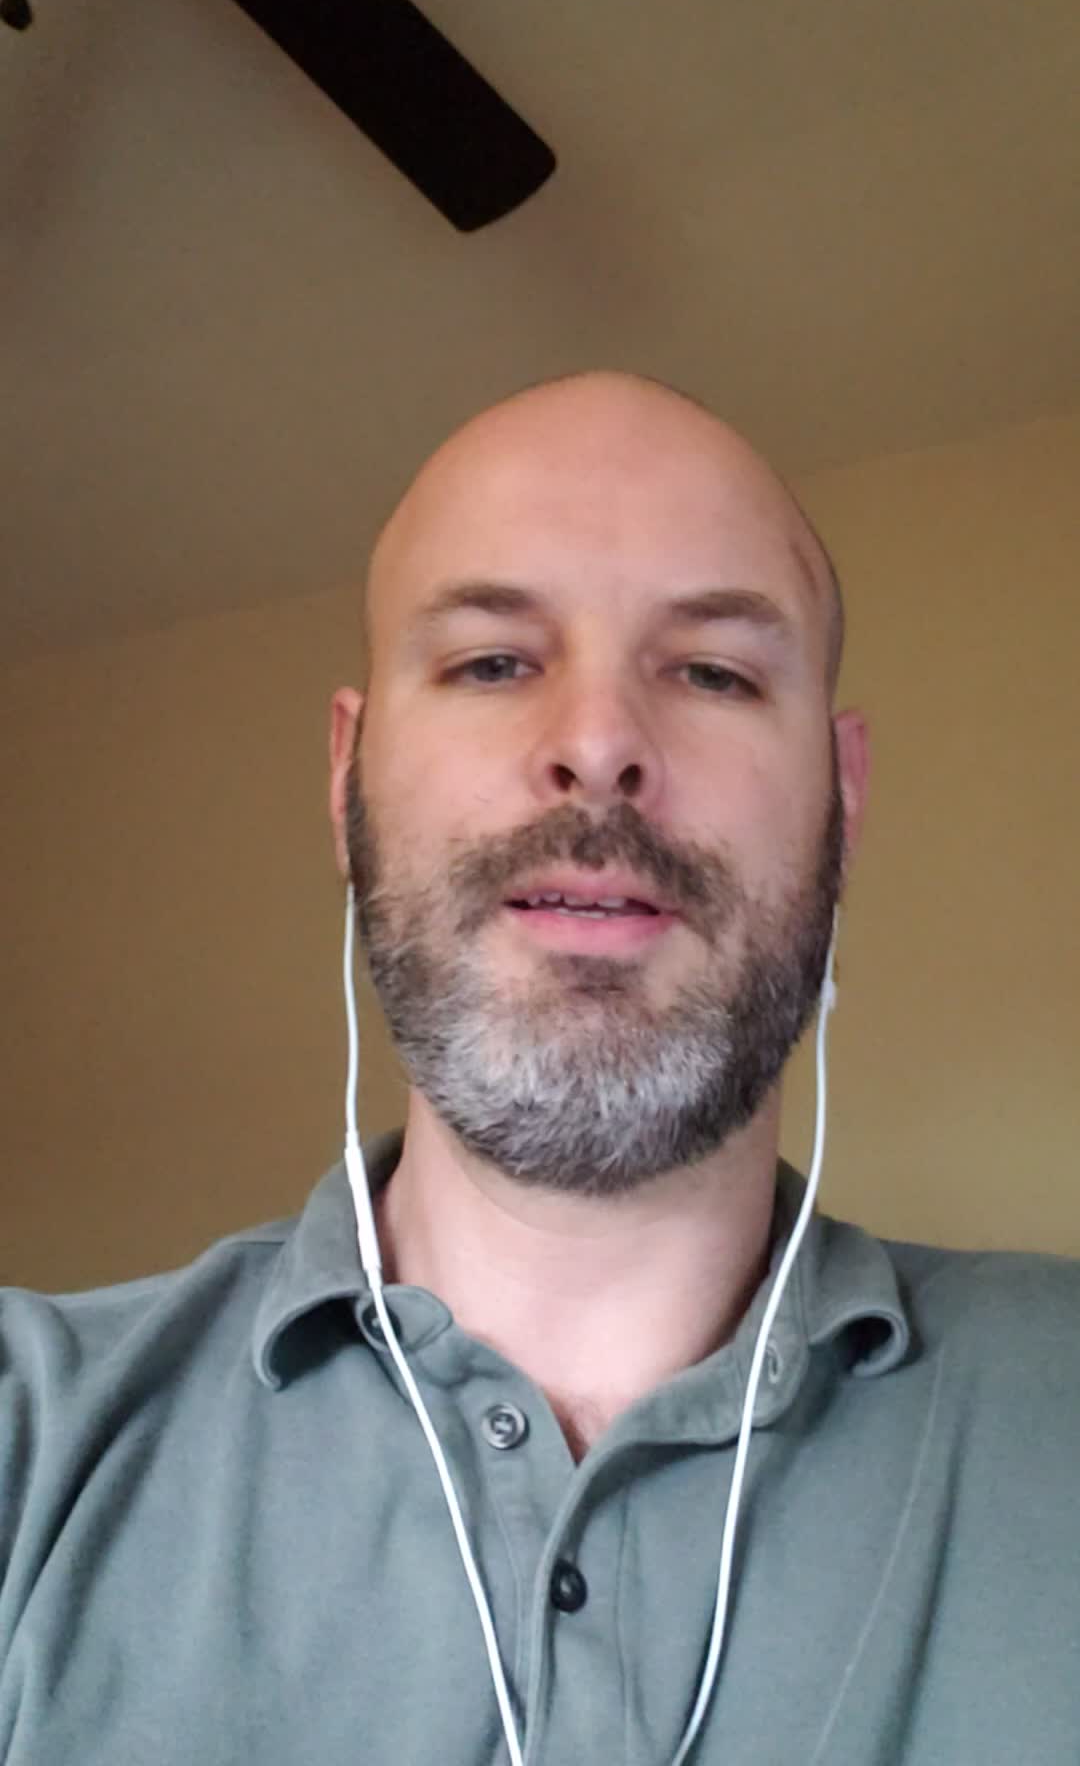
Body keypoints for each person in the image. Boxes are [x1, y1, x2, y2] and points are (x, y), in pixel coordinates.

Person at [2, 371, 1078, 1765]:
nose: (599, 744)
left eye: (713, 672)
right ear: (347, 777)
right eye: (495, 663)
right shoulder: (28, 1444)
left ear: (844, 796)